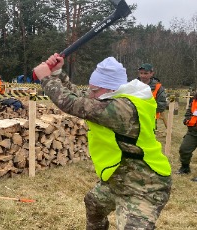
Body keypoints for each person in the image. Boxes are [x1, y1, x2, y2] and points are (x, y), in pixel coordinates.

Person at [34, 54, 172, 229]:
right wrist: (58, 73)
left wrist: (46, 78)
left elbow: (71, 103)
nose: (90, 93)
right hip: (119, 180)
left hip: (145, 188)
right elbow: (80, 95)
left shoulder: (122, 108)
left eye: (94, 90)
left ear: (110, 89)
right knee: (93, 204)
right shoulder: (112, 96)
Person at [176, 89, 197, 179]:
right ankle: (185, 168)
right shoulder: (195, 99)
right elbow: (189, 112)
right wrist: (187, 120)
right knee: (184, 149)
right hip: (193, 131)